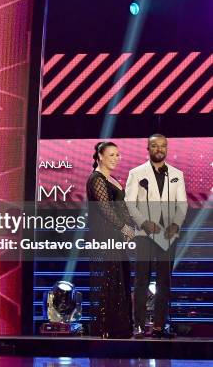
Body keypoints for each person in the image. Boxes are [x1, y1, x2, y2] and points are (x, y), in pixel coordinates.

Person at [125, 134, 187, 339]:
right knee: (141, 280)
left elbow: (182, 204)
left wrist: (176, 224)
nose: (159, 149)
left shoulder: (176, 174)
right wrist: (143, 222)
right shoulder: (136, 173)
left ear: (166, 148)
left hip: (168, 235)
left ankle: (160, 325)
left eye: (162, 146)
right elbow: (129, 203)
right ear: (148, 148)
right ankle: (139, 326)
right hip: (145, 233)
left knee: (164, 282)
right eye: (154, 146)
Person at [86, 141, 135, 338]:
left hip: (117, 237)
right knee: (109, 280)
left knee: (120, 279)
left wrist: (130, 226)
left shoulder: (111, 179)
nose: (116, 158)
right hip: (105, 236)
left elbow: (120, 207)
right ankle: (107, 328)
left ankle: (120, 328)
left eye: (117, 155)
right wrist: (123, 227)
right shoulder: (96, 179)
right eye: (111, 155)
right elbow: (105, 208)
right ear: (100, 157)